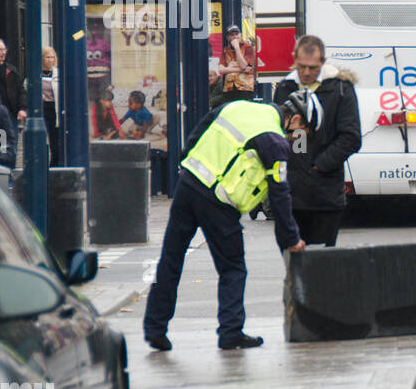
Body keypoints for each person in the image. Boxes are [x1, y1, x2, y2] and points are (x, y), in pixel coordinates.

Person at [142, 99, 305, 352]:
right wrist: (290, 239)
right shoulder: (274, 141)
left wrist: (187, 165)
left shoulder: (236, 106)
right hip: (218, 201)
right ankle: (231, 331)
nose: (296, 135)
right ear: (294, 119)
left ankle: (155, 328)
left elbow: (199, 130)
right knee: (233, 268)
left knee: (171, 258)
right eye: (299, 129)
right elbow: (280, 193)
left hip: (188, 185)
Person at [272, 36, 361, 247]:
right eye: (302, 66)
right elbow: (283, 136)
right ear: (294, 59)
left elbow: (350, 137)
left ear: (323, 62)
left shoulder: (340, 89)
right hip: (292, 195)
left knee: (321, 267)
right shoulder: (286, 87)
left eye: (312, 67)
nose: (306, 72)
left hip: (325, 195)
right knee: (294, 263)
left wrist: (318, 165)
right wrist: (295, 145)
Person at [0, 39, 23, 119]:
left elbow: (21, 90)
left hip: (9, 113)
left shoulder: (12, 70)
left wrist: (22, 109)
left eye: (4, 49)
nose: (4, 53)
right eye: (0, 50)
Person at [218, 25, 255, 101]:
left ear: (240, 34)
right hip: (229, 88)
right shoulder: (225, 50)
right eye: (232, 35)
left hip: (245, 88)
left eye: (237, 34)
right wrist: (240, 69)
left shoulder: (248, 47)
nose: (235, 37)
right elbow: (221, 70)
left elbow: (244, 66)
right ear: (228, 38)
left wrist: (237, 48)